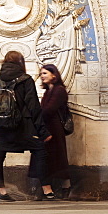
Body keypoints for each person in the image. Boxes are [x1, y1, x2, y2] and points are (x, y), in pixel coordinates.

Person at [0, 50, 53, 201]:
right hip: (23, 126)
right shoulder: (26, 80)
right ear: (21, 63)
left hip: (2, 126)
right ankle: (47, 190)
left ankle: (1, 192)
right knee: (40, 150)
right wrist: (43, 131)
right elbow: (33, 107)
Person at [39, 63, 71, 199]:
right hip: (47, 129)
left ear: (54, 75)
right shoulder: (48, 91)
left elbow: (49, 110)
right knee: (48, 158)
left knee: (58, 157)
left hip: (55, 129)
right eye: (41, 74)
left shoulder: (59, 90)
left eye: (45, 73)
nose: (42, 76)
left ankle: (66, 186)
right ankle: (50, 188)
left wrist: (35, 114)